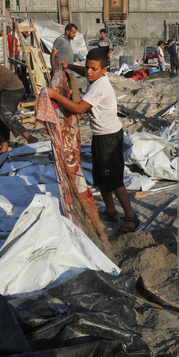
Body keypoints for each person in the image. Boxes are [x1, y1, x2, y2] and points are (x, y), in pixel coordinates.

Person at [46, 48, 140, 233]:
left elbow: (78, 108)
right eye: (87, 67)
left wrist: (54, 95)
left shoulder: (100, 85)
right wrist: (70, 66)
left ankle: (131, 216)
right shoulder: (94, 76)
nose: (88, 72)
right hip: (100, 136)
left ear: (104, 70)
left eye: (93, 69)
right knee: (101, 178)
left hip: (109, 138)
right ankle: (111, 212)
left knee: (113, 180)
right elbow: (85, 71)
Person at [51, 23, 80, 101]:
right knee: (62, 92)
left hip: (69, 70)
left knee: (73, 90)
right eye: (73, 33)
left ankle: (75, 108)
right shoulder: (60, 40)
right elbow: (53, 55)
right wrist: (54, 69)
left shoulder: (67, 41)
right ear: (67, 32)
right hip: (62, 71)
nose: (74, 35)